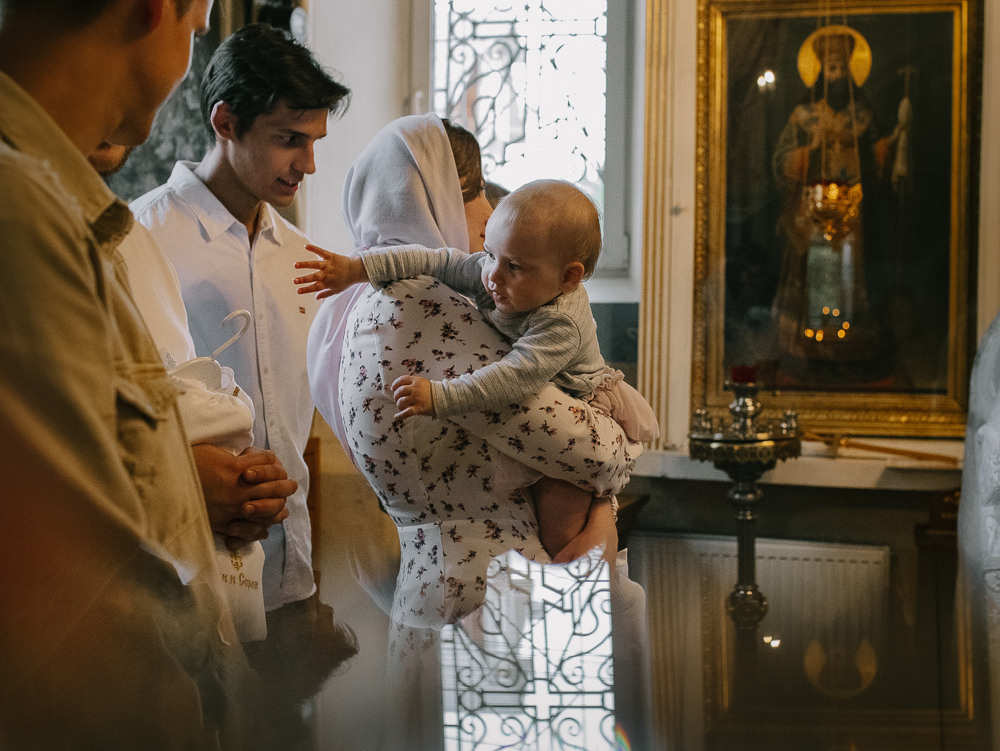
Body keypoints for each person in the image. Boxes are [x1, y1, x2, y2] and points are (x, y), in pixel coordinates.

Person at [305, 113, 651, 746]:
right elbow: (593, 454)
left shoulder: (361, 310)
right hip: (496, 598)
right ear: (440, 193)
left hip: (437, 590)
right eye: (479, 193)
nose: (490, 207)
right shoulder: (426, 310)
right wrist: (617, 464)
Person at [0, 0, 259, 747]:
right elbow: (88, 603)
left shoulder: (54, 203)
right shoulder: (18, 210)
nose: (201, 36)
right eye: (200, 12)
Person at [128, 22, 352, 746]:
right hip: (190, 580)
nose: (308, 164)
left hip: (293, 584)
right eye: (291, 138)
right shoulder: (142, 238)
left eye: (314, 141)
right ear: (225, 120)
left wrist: (309, 584)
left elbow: (301, 425)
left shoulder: (302, 257)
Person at [294, 178, 659, 558]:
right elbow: (435, 259)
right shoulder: (500, 274)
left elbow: (514, 379)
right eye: (488, 253)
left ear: (568, 277)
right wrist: (358, 269)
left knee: (563, 541)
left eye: (514, 266)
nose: (492, 276)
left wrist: (441, 396)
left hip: (584, 401)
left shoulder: (560, 322)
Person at [769, 25, 894, 386]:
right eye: (830, 68)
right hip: (810, 213)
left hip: (854, 217)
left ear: (852, 71)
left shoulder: (865, 115)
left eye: (841, 67)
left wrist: (883, 153)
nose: (835, 74)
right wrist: (807, 154)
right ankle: (806, 354)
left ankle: (853, 353)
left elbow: (880, 159)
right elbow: (780, 161)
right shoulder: (802, 115)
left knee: (850, 281)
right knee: (814, 279)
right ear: (821, 69)